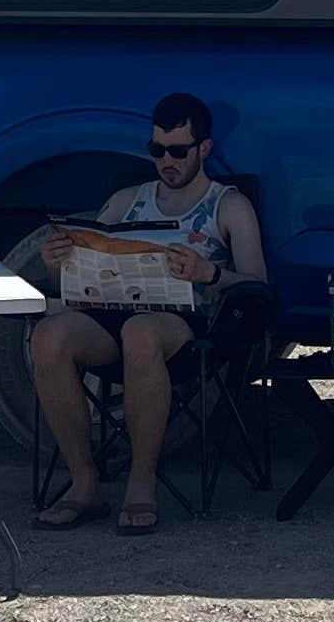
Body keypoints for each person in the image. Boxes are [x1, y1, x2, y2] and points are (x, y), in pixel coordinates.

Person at [27, 90, 267, 534]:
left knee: (140, 332)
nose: (166, 161)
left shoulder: (227, 205)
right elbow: (83, 269)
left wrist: (210, 273)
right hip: (112, 311)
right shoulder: (127, 200)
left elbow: (257, 283)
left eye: (178, 151)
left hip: (188, 322)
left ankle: (141, 484)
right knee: (50, 336)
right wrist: (59, 259)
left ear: (204, 149)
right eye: (157, 150)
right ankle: (83, 484)